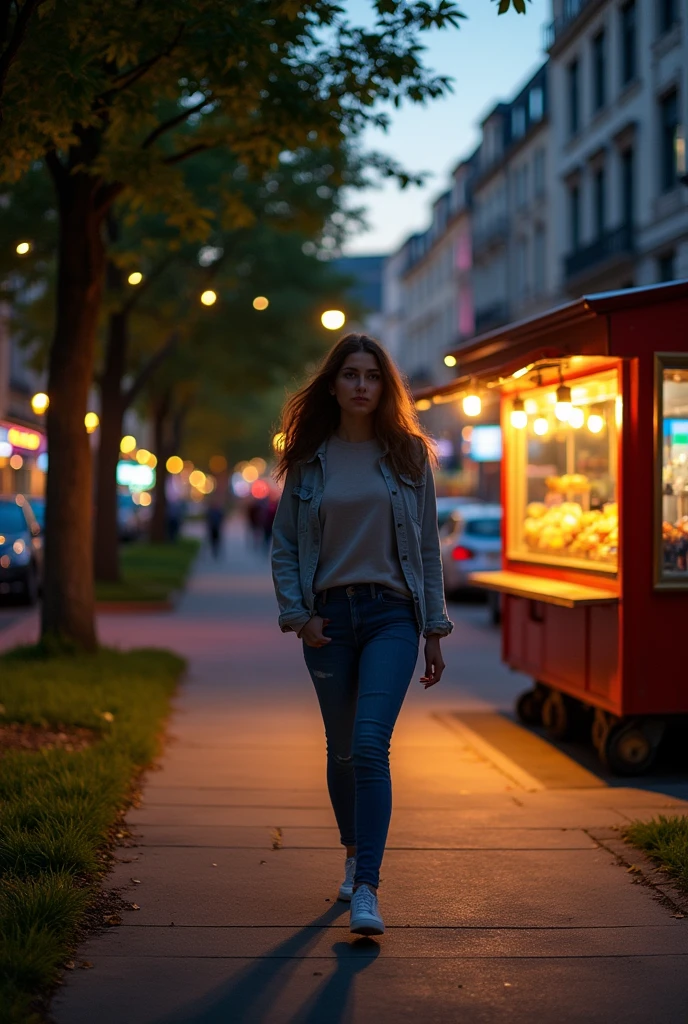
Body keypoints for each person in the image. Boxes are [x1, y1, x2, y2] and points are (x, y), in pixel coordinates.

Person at [271, 333, 452, 937]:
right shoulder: (308, 460)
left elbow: (426, 548)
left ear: (385, 386)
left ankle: (368, 887)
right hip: (329, 620)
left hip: (391, 616)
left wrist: (433, 628)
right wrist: (300, 615)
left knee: (371, 745)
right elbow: (286, 547)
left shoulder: (407, 457)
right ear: (333, 383)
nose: (361, 385)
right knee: (342, 748)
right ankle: (352, 852)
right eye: (350, 374)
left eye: (372, 375)